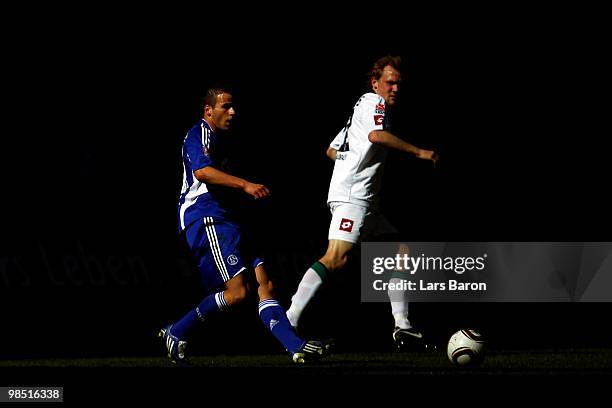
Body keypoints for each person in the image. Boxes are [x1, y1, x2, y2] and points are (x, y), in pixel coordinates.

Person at [160, 87, 325, 364]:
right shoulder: (200, 133)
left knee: (266, 283)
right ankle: (176, 331)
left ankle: (296, 347)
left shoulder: (224, 140)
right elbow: (202, 172)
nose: (233, 112)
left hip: (229, 218)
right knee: (237, 294)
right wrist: (245, 184)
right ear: (208, 110)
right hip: (206, 217)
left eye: (234, 106)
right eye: (226, 106)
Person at [285, 55, 438, 350]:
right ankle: (287, 320)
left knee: (399, 252)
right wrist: (419, 152)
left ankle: (402, 326)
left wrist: (351, 162)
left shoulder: (358, 109)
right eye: (389, 82)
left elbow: (332, 150)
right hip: (354, 197)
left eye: (398, 83)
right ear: (375, 82)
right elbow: (376, 135)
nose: (395, 88)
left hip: (362, 198)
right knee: (335, 258)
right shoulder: (373, 103)